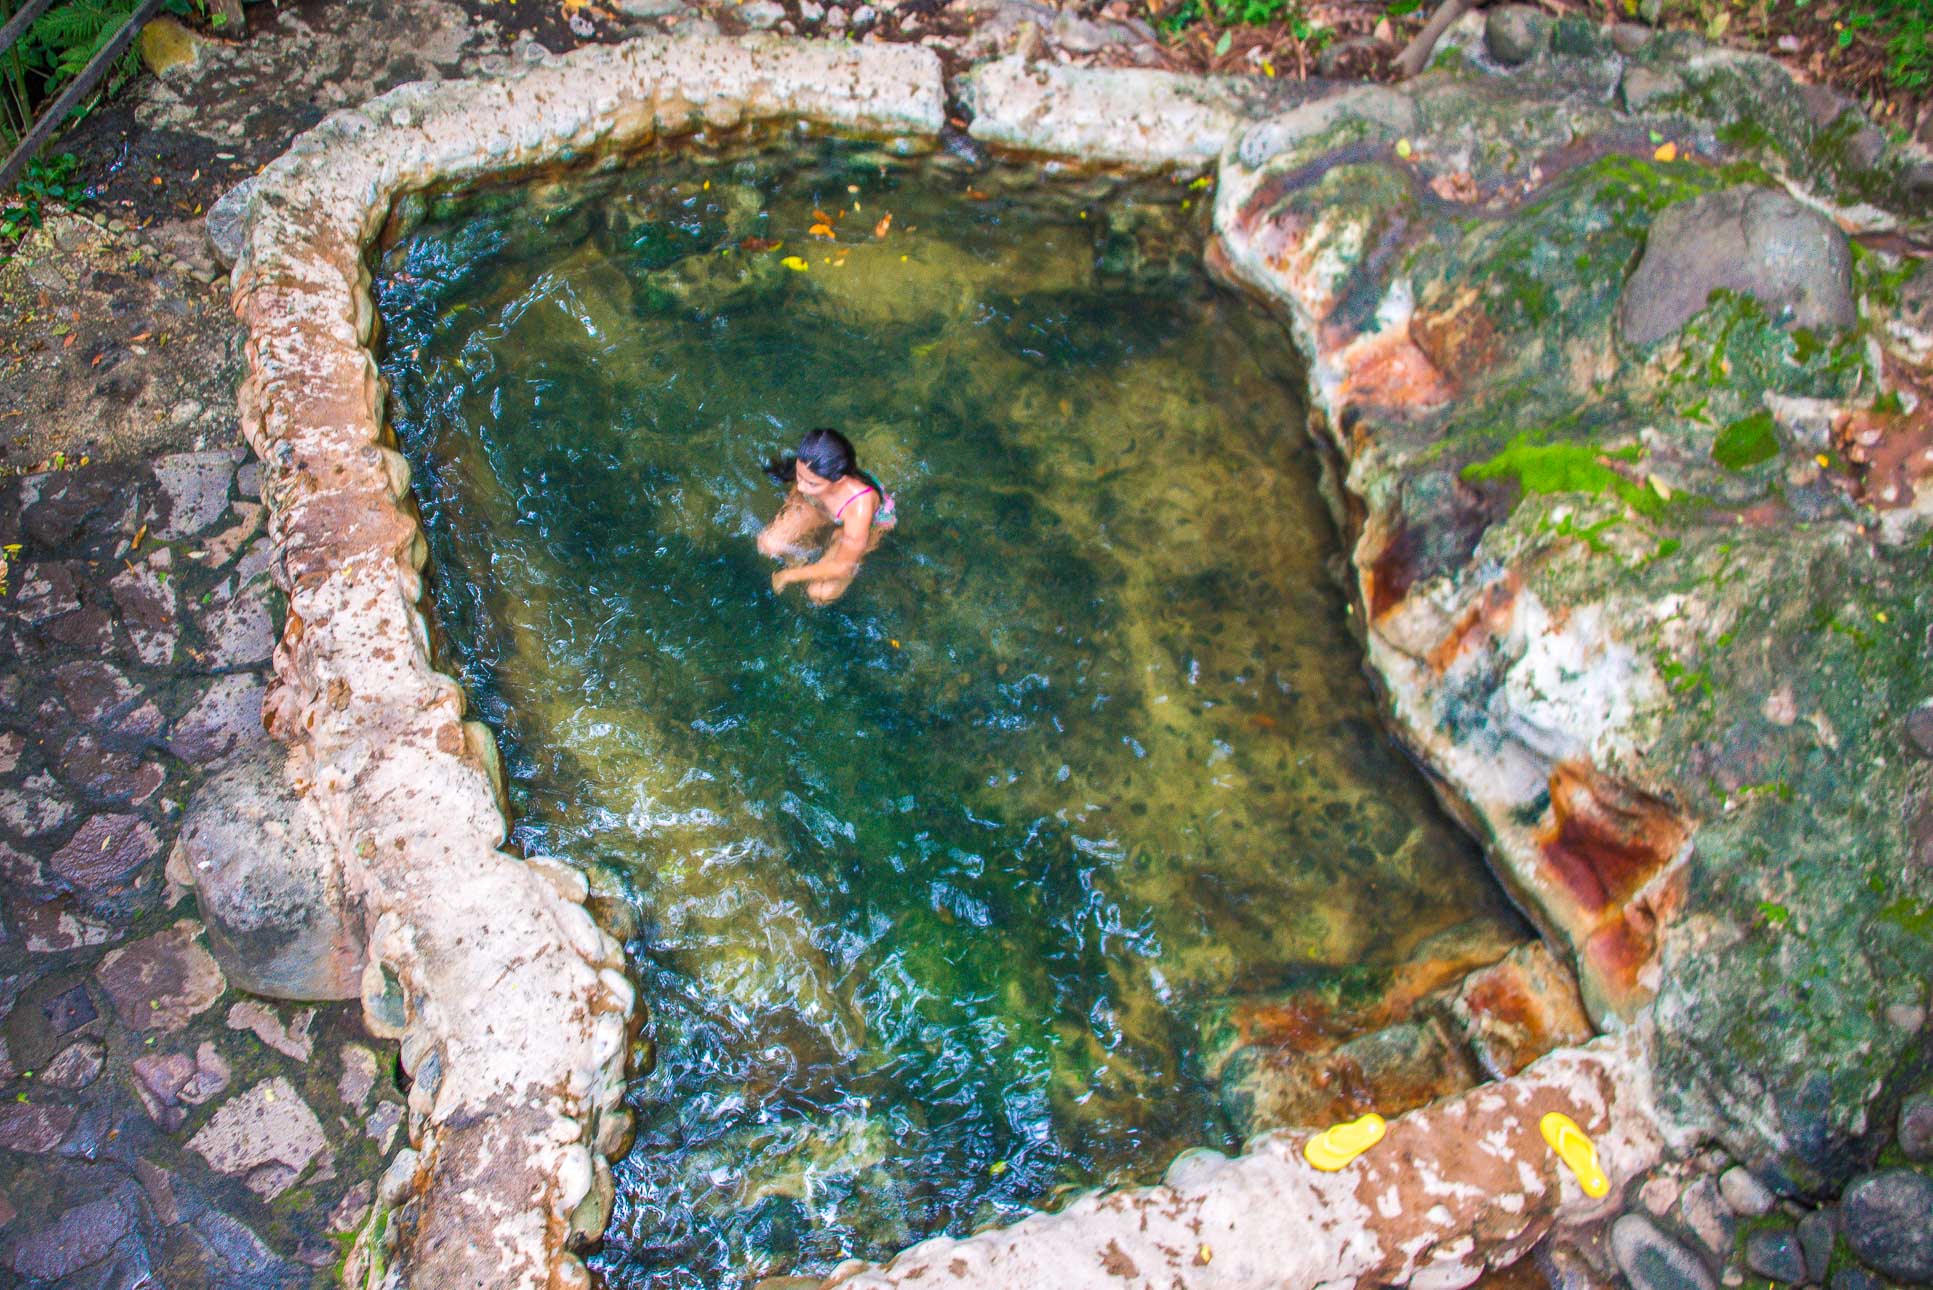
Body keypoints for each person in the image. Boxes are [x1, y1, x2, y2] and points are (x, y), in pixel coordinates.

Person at [757, 427, 896, 605]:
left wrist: (788, 575)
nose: (801, 487)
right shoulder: (811, 471)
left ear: (840, 480)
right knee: (768, 545)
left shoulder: (859, 506)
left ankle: (827, 545)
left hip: (867, 525)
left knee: (821, 593)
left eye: (812, 484)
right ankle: (813, 550)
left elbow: (843, 567)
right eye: (799, 476)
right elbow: (801, 489)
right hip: (820, 506)